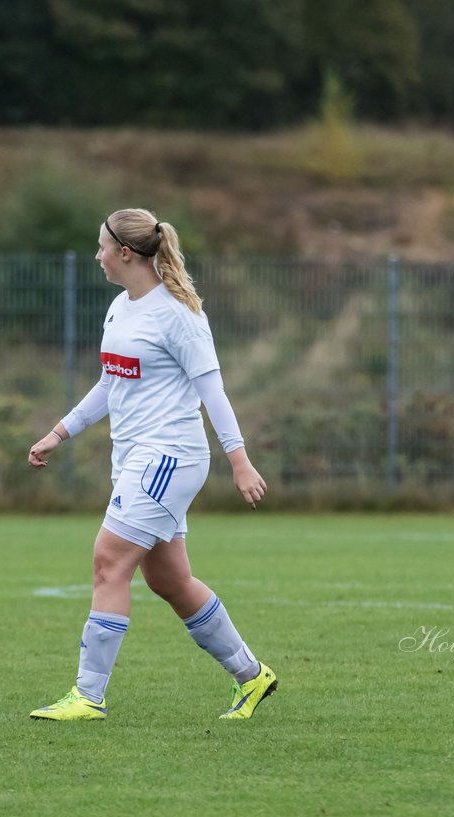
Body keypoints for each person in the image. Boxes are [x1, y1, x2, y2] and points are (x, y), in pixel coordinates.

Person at [27, 208, 277, 722]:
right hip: (138, 458)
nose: (96, 256)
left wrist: (241, 462)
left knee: (108, 562)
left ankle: (87, 696)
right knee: (170, 581)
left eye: (101, 247)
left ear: (125, 253)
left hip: (168, 457)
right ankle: (253, 677)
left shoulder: (178, 316)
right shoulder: (121, 308)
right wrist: (59, 432)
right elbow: (110, 384)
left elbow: (215, 393)